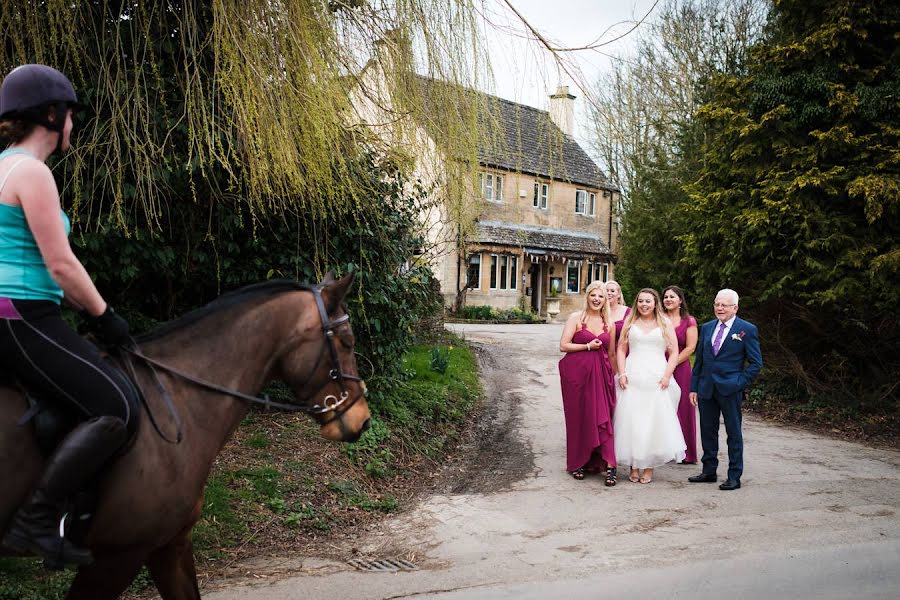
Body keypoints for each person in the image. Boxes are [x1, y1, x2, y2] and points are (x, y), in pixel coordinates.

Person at [0, 64, 139, 567]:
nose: (74, 126)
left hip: (19, 312)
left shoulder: (2, 167)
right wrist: (106, 318)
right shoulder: (32, 173)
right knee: (117, 406)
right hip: (21, 316)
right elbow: (60, 265)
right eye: (71, 115)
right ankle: (34, 523)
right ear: (52, 115)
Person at [688, 289, 762, 491]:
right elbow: (700, 361)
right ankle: (709, 471)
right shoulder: (707, 327)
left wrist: (739, 382)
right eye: (717, 304)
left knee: (733, 433)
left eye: (724, 305)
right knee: (708, 431)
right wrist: (694, 387)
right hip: (706, 388)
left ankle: (734, 476)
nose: (719, 308)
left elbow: (756, 363)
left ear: (735, 307)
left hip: (731, 389)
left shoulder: (746, 330)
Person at [614, 289, 686, 484]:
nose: (644, 304)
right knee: (632, 421)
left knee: (653, 421)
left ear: (655, 303)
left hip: (656, 377)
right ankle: (634, 466)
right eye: (640, 301)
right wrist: (622, 373)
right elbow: (621, 349)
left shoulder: (664, 323)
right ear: (636, 303)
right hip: (633, 375)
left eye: (648, 301)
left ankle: (648, 467)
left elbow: (673, 352)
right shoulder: (630, 322)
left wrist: (666, 376)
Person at [558, 280, 618, 486]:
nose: (597, 299)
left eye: (601, 296)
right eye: (593, 295)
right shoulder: (576, 318)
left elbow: (611, 353)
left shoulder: (609, 324)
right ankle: (579, 462)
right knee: (580, 417)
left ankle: (610, 466)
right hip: (577, 376)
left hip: (602, 377)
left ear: (605, 300)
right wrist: (587, 346)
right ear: (587, 297)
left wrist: (615, 376)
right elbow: (563, 345)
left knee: (604, 419)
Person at [662, 285, 699, 464]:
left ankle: (687, 453)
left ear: (680, 300)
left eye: (672, 297)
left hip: (681, 367)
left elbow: (691, 347)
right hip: (658, 366)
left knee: (683, 407)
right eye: (666, 297)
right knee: (662, 406)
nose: (668, 299)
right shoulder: (659, 319)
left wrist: (671, 364)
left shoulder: (689, 321)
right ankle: (664, 450)